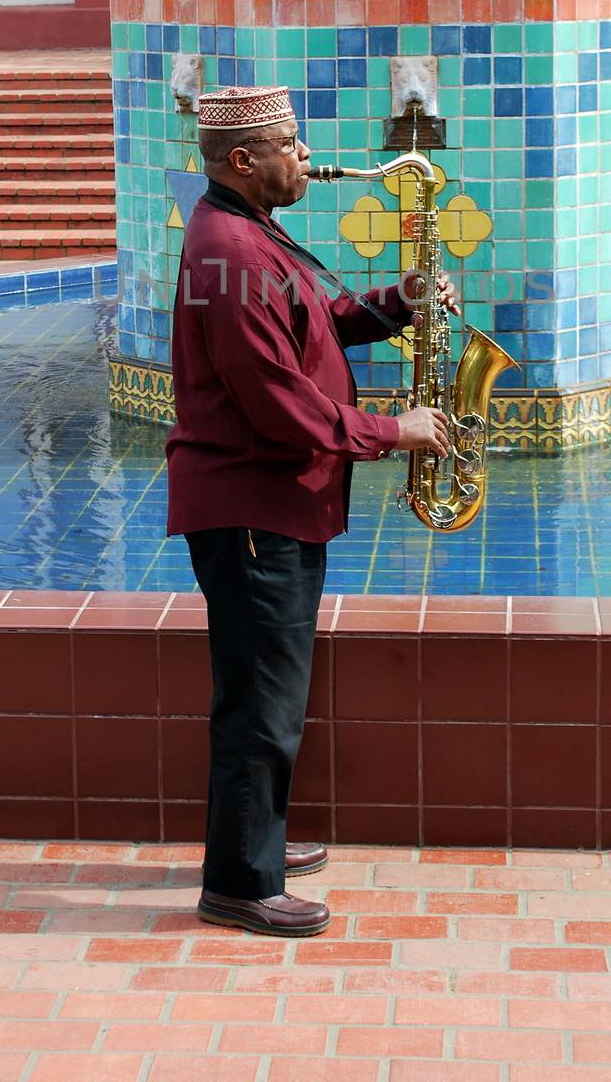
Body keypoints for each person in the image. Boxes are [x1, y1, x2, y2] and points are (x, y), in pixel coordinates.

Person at [166, 84, 457, 937]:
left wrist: (395, 303)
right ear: (244, 160)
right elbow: (274, 404)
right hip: (255, 510)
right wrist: (390, 430)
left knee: (265, 692)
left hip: (271, 506)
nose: (308, 157)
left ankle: (256, 840)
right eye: (291, 145)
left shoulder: (246, 232)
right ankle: (240, 885)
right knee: (261, 701)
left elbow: (313, 328)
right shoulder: (234, 250)